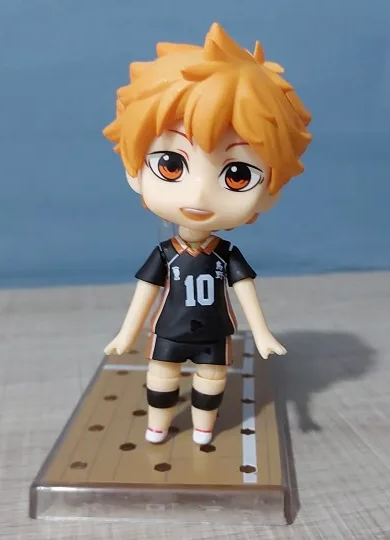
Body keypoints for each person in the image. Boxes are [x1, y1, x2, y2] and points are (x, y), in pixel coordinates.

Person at [102, 22, 312, 445]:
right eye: (171, 166)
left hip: (215, 333)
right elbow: (146, 291)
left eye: (237, 175)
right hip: (169, 330)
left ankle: (203, 427)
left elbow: (245, 289)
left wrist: (262, 332)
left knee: (211, 382)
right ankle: (157, 425)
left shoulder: (225, 254)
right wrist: (127, 332)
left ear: (269, 192)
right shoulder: (166, 254)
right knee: (161, 379)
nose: (199, 194)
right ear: (134, 169)